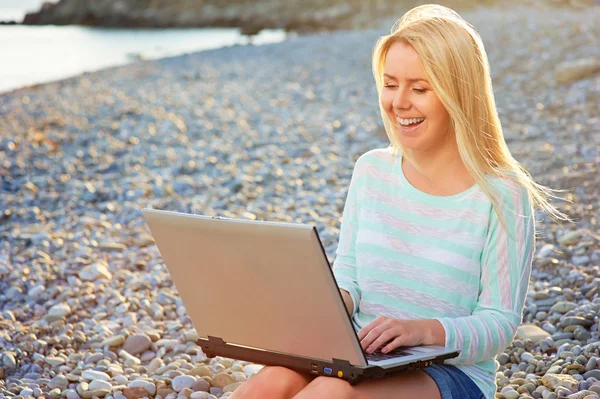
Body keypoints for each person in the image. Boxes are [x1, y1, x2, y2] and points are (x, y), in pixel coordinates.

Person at [230, 4, 566, 399]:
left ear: (458, 94)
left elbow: (498, 323)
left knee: (331, 394)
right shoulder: (371, 170)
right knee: (269, 382)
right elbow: (350, 274)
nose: (399, 102)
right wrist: (327, 307)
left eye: (419, 88)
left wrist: (419, 330)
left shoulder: (503, 194)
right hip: (360, 354)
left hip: (449, 372)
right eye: (391, 84)